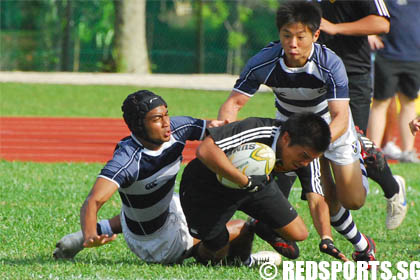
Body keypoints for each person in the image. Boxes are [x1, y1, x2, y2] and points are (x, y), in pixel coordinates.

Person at [217, 1, 377, 262]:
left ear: (315, 35)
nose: (292, 44)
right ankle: (261, 234)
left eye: (300, 37)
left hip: (331, 130)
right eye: (286, 36)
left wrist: (316, 147)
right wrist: (224, 128)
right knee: (295, 193)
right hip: (289, 131)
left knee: (353, 201)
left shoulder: (330, 63)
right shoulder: (263, 61)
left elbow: (339, 116)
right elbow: (233, 102)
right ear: (279, 33)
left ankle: (364, 153)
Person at [53, 90, 280, 266]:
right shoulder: (127, 161)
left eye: (166, 113)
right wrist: (92, 236)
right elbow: (93, 200)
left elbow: (217, 129)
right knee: (238, 229)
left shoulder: (178, 128)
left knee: (179, 200)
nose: (166, 123)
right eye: (157, 119)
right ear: (139, 126)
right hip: (156, 243)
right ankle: (246, 261)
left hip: (156, 211)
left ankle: (87, 234)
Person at [179, 112, 331, 265]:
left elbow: (317, 199)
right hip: (206, 185)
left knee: (299, 233)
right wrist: (245, 181)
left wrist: (326, 237)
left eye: (311, 159)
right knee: (214, 251)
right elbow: (205, 150)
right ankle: (211, 243)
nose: (306, 163)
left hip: (254, 185)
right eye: (304, 156)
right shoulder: (257, 128)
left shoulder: (307, 157)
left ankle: (261, 225)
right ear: (286, 138)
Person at [366, 0, 420, 163]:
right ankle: (372, 152)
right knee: (380, 103)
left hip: (414, 57)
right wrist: (369, 34)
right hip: (387, 57)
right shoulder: (383, 1)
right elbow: (368, 15)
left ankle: (408, 152)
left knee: (409, 102)